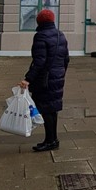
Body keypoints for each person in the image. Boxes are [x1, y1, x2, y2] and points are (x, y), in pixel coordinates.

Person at [20, 9, 69, 152]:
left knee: (46, 110)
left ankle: (50, 141)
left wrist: (28, 79)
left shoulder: (40, 36)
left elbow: (39, 61)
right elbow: (66, 58)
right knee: (52, 110)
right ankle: (53, 139)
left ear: (39, 21)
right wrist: (61, 72)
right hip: (58, 76)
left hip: (45, 79)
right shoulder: (61, 35)